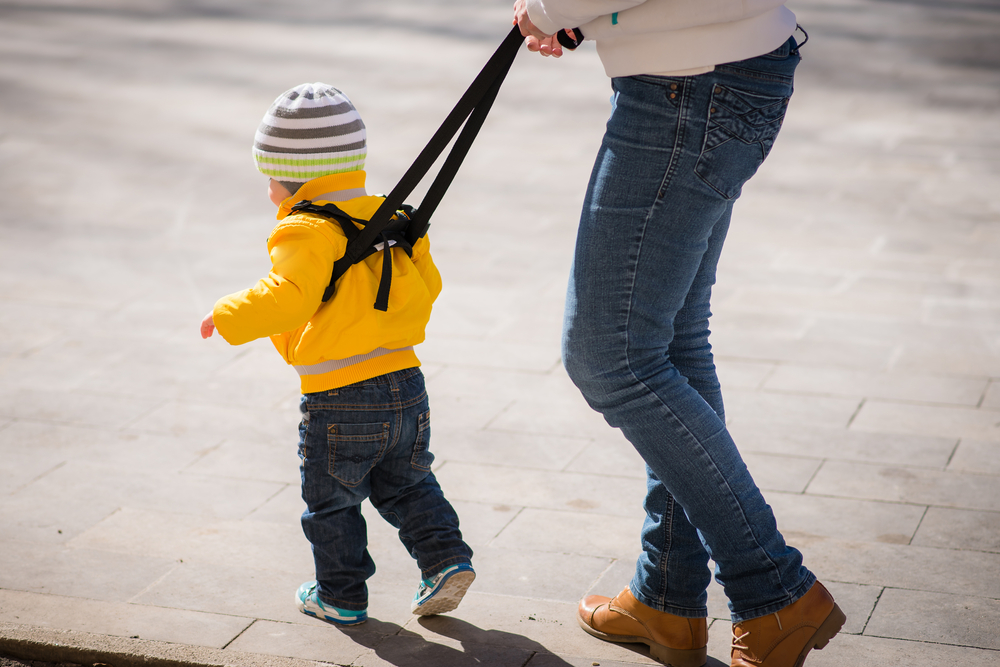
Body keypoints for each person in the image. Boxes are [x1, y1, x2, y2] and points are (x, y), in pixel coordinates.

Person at [513, 2, 845, 666]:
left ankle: (774, 590)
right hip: (721, 69)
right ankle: (667, 594)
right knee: (670, 342)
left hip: (687, 87)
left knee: (610, 357)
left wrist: (552, 7)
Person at [200, 82, 474, 626]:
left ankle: (341, 596)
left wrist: (226, 314)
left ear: (291, 179)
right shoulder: (393, 217)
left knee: (332, 501)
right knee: (408, 481)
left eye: (270, 180)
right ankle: (445, 559)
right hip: (406, 381)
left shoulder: (305, 229)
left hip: (339, 394)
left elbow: (288, 297)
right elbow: (429, 286)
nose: (269, 193)